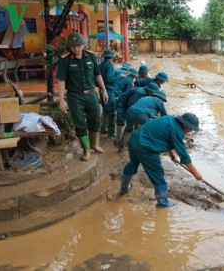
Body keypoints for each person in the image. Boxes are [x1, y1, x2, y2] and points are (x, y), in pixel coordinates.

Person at [119, 113, 203, 208]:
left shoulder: (170, 119)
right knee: (158, 174)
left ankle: (123, 189)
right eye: (191, 128)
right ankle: (163, 203)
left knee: (132, 165)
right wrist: (195, 173)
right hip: (145, 147)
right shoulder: (178, 131)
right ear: (185, 124)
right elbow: (184, 155)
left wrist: (172, 154)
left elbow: (165, 137)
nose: (191, 130)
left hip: (134, 140)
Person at [57, 32, 109, 161]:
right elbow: (61, 80)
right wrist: (62, 99)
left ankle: (94, 145)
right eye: (73, 46)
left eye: (78, 45)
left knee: (96, 120)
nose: (75, 48)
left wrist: (104, 90)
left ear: (83, 45)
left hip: (91, 94)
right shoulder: (65, 60)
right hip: (75, 96)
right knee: (80, 124)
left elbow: (97, 74)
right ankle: (86, 150)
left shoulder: (91, 57)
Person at [99, 49, 117, 137]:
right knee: (111, 111)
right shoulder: (109, 66)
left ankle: (103, 128)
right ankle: (111, 132)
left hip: (101, 90)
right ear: (112, 58)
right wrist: (117, 76)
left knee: (105, 110)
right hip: (108, 91)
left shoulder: (101, 65)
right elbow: (110, 78)